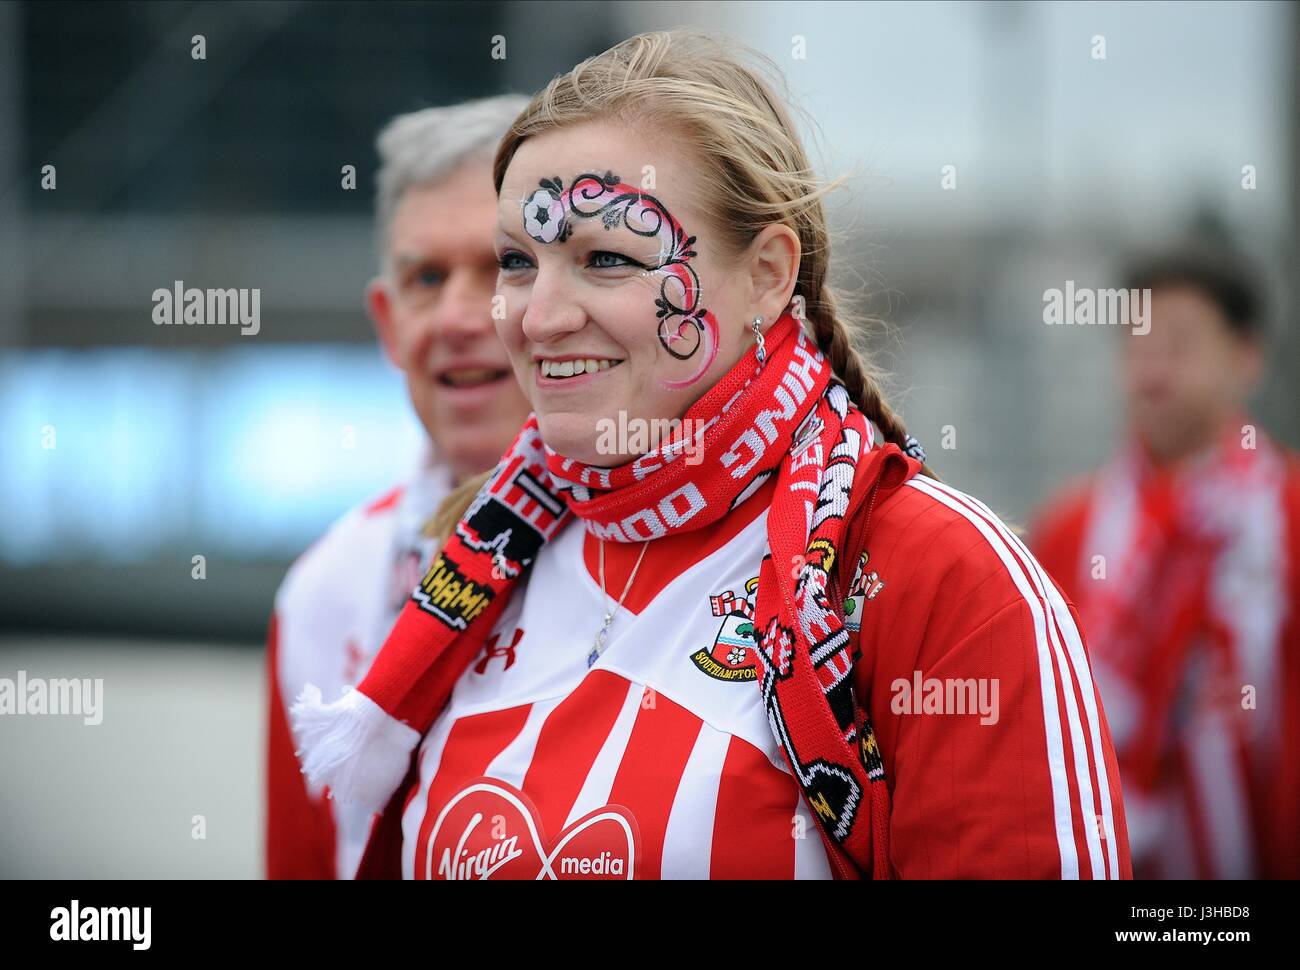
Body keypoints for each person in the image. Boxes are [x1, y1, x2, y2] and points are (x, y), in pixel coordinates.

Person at [292, 29, 1131, 880]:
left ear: (768, 273)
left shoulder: (945, 579)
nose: (536, 317)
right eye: (520, 259)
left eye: (606, 258)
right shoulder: (475, 559)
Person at [265, 95, 533, 879]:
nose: (455, 316)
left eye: (500, 266)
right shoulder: (323, 588)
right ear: (388, 322)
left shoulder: (681, 550)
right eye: (426, 277)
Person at [1032, 246, 1300, 879]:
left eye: (1179, 345)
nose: (1153, 369)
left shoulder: (1285, 516)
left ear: (1246, 357)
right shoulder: (1071, 531)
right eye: (1137, 345)